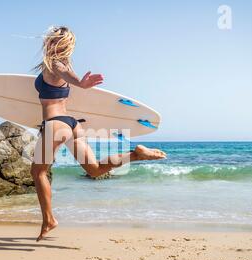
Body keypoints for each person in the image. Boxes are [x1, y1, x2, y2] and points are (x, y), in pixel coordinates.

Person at [31, 26, 166, 241]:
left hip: (55, 124)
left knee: (38, 172)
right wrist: (78, 83)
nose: (49, 42)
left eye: (52, 39)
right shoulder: (63, 64)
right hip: (71, 124)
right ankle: (135, 154)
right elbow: (65, 75)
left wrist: (81, 83)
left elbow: (65, 74)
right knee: (94, 170)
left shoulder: (55, 65)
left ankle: (49, 220)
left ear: (56, 43)